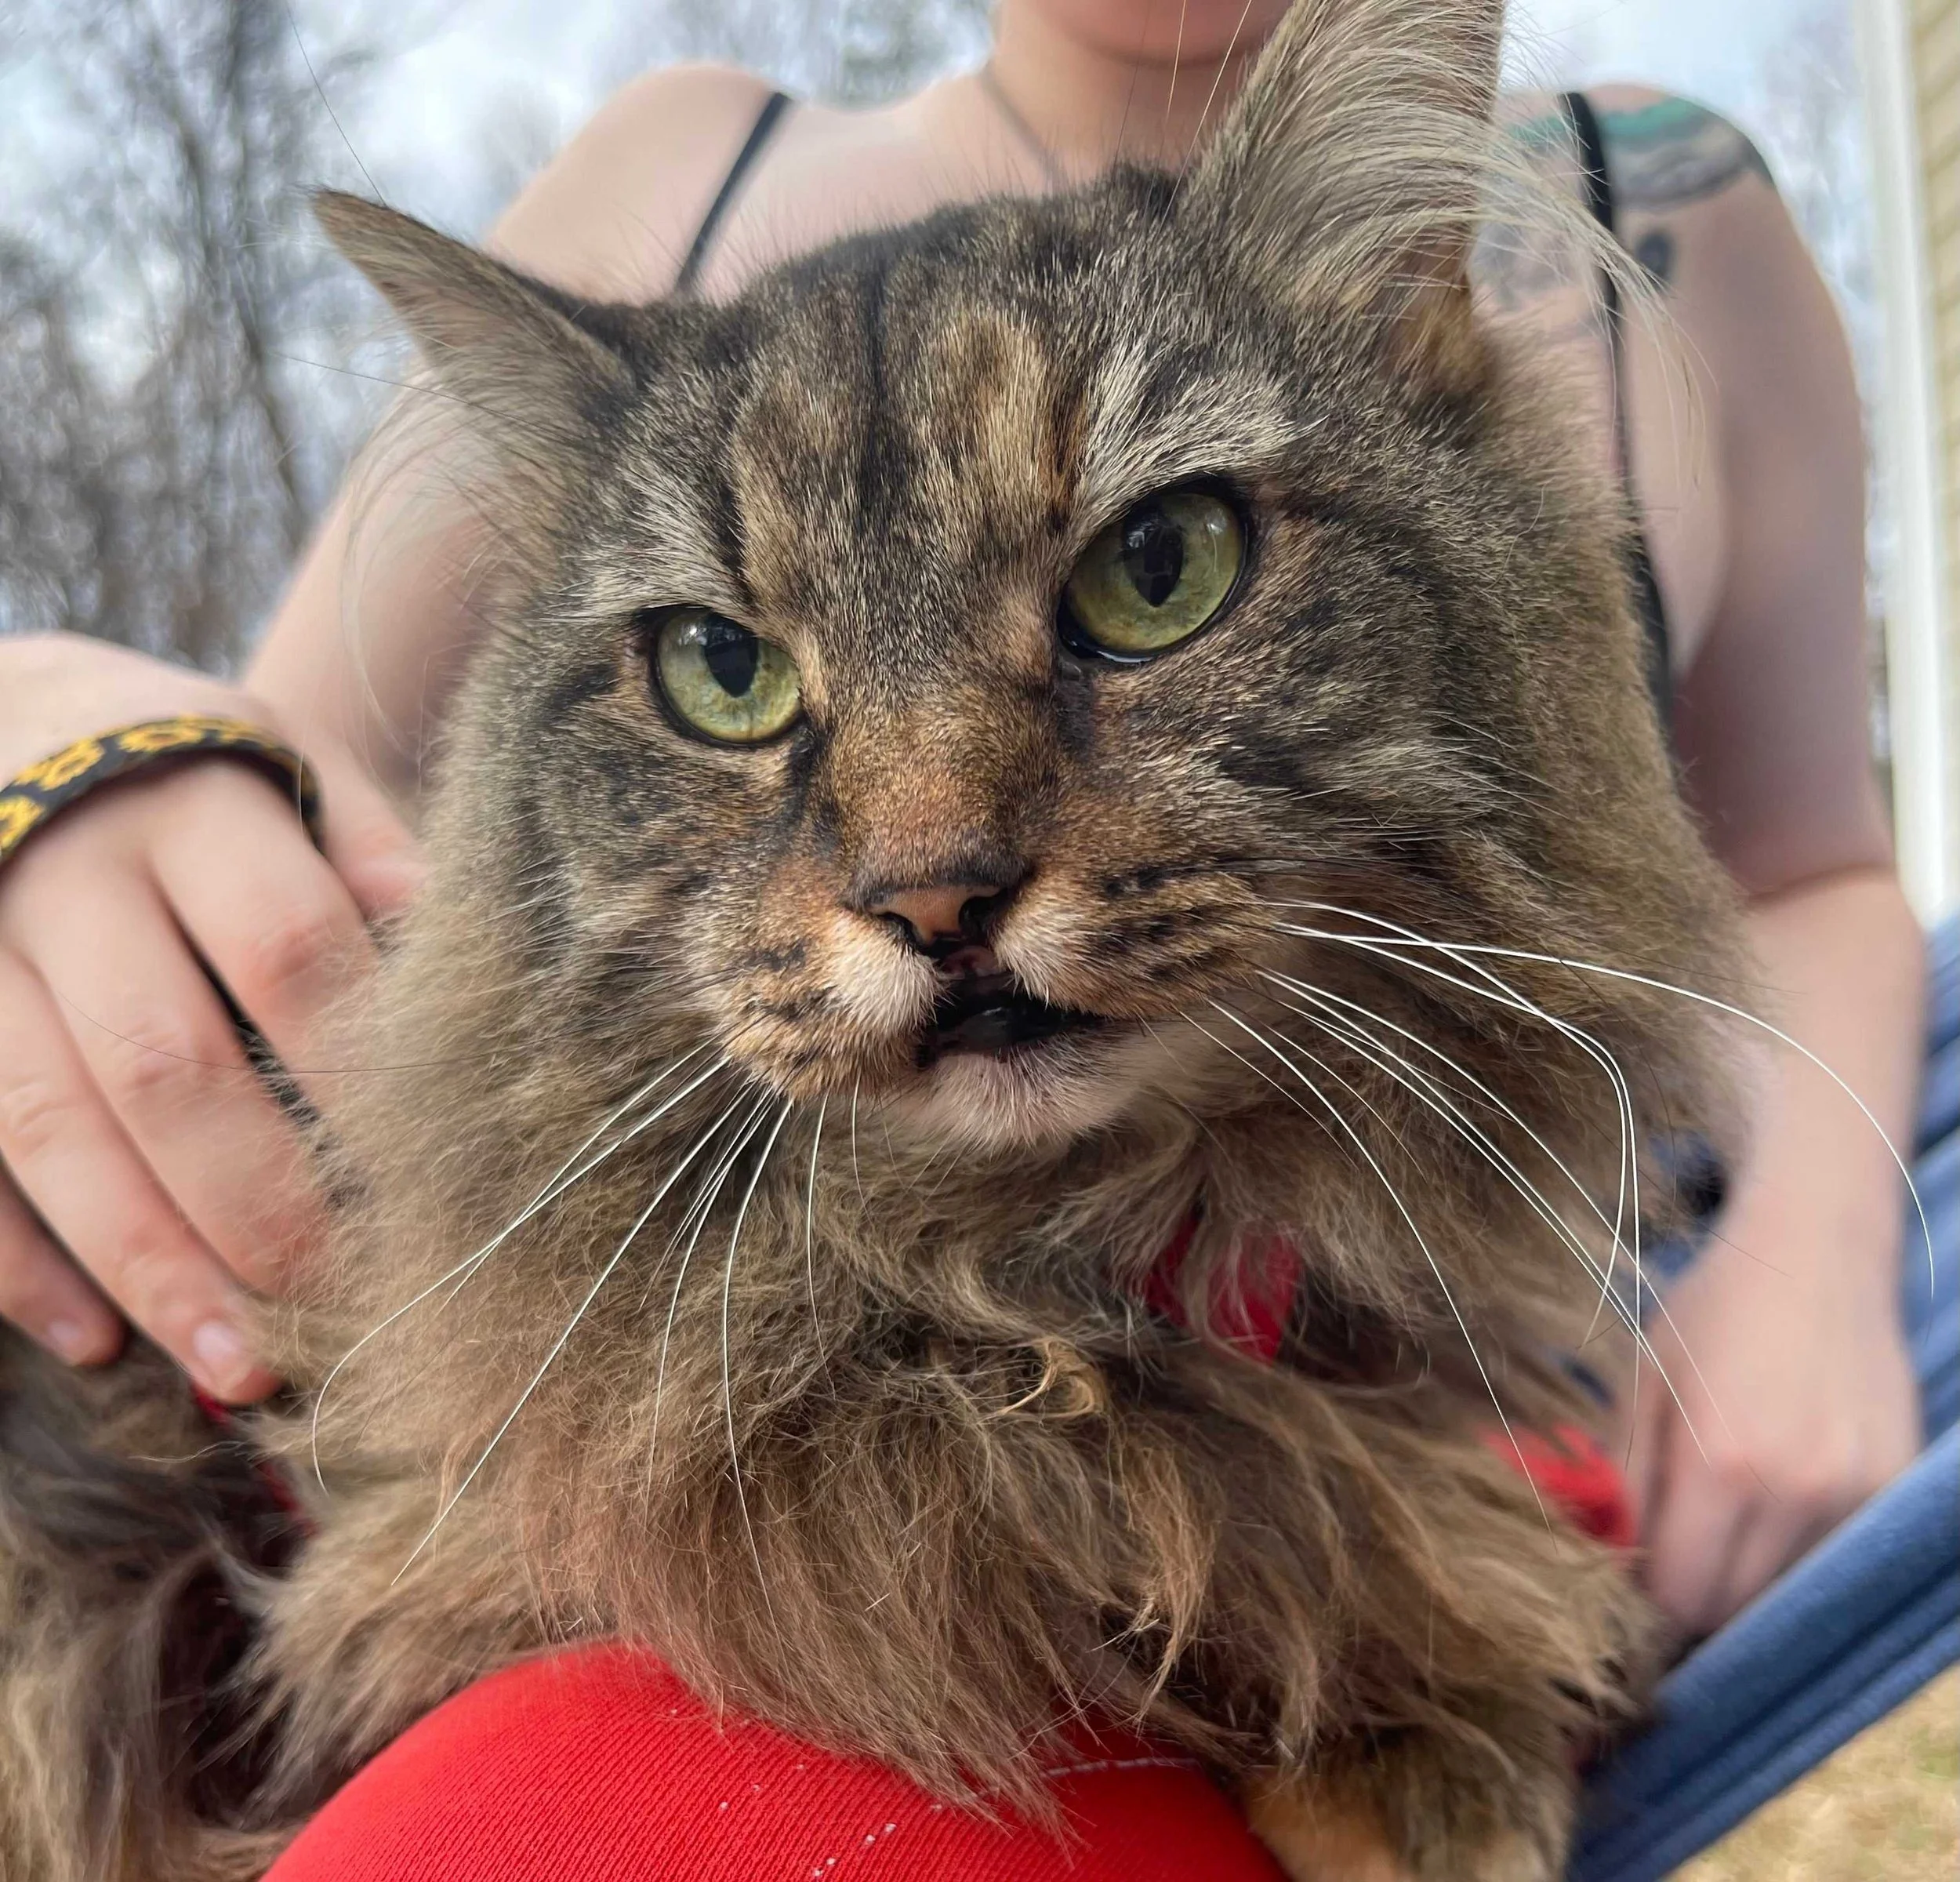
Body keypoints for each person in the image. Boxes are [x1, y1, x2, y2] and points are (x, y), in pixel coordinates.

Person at [0, 0, 1933, 1738]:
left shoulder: (1656, 195)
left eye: (1148, 569)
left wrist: (1808, 1268)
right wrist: (67, 722)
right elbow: (278, 783)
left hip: (1485, 1312)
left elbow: (1808, 859)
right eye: (726, 667)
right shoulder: (674, 165)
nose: (932, 857)